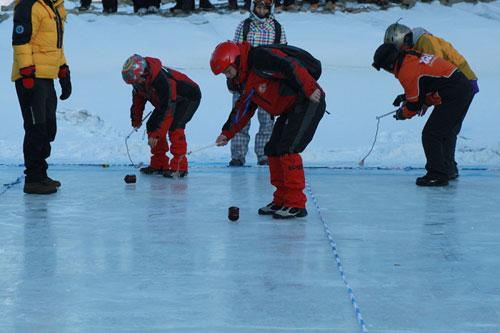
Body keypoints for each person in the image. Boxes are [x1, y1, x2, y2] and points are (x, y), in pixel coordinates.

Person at [210, 41, 326, 219]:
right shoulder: (245, 80)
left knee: (288, 149)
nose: (227, 77)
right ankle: (281, 199)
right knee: (272, 150)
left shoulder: (259, 58)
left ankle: (296, 203)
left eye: (227, 71)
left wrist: (310, 89)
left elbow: (290, 64)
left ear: (235, 61)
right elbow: (244, 108)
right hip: (290, 108)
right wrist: (227, 133)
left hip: (308, 100)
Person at [384, 22, 478, 180]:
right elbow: (424, 79)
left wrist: (424, 102)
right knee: (445, 130)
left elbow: (437, 73)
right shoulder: (415, 46)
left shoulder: (425, 42)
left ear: (401, 41)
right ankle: (447, 168)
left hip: (462, 83)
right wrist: (413, 97)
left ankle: (441, 171)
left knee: (441, 131)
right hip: (454, 86)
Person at [12, 0, 72, 194]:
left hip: (47, 76)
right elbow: (21, 41)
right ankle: (33, 179)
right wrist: (27, 73)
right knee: (35, 128)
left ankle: (41, 173)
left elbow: (56, 46)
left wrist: (63, 71)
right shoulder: (28, 6)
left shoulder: (54, 7)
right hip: (31, 76)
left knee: (48, 127)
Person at [229, 0, 287, 167]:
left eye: (265, 8)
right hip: (245, 82)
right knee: (241, 118)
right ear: (253, 7)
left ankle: (264, 154)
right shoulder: (244, 26)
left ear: (270, 9)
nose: (261, 10)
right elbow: (235, 53)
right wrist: (234, 78)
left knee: (267, 120)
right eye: (258, 7)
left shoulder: (277, 28)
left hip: (267, 83)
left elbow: (283, 54)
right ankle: (238, 156)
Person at [122, 55, 201, 178]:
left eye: (137, 82)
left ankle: (179, 167)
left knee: (175, 126)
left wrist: (157, 134)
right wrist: (136, 120)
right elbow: (137, 102)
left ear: (144, 74)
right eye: (133, 83)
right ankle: (159, 164)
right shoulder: (139, 84)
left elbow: (168, 109)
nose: (136, 85)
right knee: (152, 124)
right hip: (167, 103)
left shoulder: (162, 80)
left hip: (188, 98)